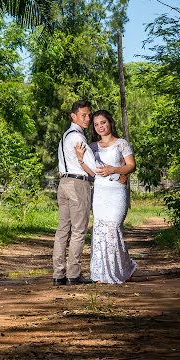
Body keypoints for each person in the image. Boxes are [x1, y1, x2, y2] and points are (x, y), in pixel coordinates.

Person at [75, 110, 137, 284]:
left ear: (110, 122)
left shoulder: (121, 144)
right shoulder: (93, 147)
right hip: (100, 192)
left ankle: (125, 268)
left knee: (113, 230)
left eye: (103, 122)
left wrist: (114, 169)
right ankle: (101, 274)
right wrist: (81, 160)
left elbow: (131, 166)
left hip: (117, 193)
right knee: (101, 231)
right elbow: (93, 174)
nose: (100, 126)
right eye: (96, 124)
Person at [52, 99, 96, 286]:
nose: (87, 119)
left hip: (63, 183)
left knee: (63, 230)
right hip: (77, 184)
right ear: (73, 116)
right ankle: (73, 274)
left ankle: (58, 274)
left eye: (88, 115)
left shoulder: (65, 136)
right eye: (83, 115)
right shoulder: (78, 137)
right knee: (78, 230)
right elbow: (92, 168)